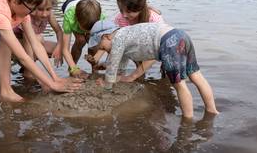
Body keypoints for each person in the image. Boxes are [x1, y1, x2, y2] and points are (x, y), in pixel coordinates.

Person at [87, 20, 219, 118]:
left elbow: (112, 67)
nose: (104, 50)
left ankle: (188, 121)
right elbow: (119, 65)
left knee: (179, 85)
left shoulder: (118, 40)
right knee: (196, 75)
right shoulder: (125, 35)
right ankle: (212, 110)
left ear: (106, 36)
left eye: (102, 47)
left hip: (168, 43)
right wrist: (116, 75)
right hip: (180, 35)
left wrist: (107, 85)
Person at [113, 0, 165, 81]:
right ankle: (140, 74)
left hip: (162, 50)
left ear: (140, 8)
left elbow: (158, 50)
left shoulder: (154, 20)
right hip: (140, 48)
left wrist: (132, 76)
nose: (124, 15)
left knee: (167, 73)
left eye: (128, 12)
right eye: (121, 10)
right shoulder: (120, 19)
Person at [14, 0, 63, 76]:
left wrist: (59, 47)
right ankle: (27, 70)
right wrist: (30, 71)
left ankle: (27, 67)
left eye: (48, 9)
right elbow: (29, 39)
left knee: (64, 49)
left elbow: (59, 31)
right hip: (15, 47)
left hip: (33, 43)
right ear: (32, 6)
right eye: (40, 9)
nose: (44, 14)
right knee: (38, 38)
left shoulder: (49, 14)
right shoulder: (27, 17)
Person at [61, 0, 104, 78]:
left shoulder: (101, 18)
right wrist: (74, 69)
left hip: (89, 1)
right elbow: (65, 49)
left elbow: (105, 43)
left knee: (92, 42)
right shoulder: (70, 18)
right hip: (70, 4)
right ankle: (71, 68)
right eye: (86, 29)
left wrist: (96, 57)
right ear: (77, 20)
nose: (88, 31)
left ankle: (94, 70)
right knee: (81, 40)